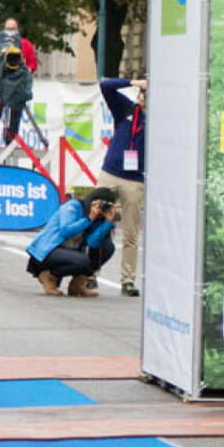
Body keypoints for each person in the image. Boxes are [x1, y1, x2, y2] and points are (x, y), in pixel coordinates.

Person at [99, 77, 146, 296]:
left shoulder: (158, 122)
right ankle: (90, 273)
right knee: (98, 223)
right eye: (144, 95)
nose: (145, 99)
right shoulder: (125, 110)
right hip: (110, 173)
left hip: (134, 179)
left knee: (130, 233)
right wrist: (134, 81)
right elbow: (106, 86)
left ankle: (128, 280)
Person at [25, 187, 119, 297]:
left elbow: (92, 243)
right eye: (101, 204)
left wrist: (107, 222)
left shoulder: (99, 219)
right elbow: (66, 231)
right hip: (48, 251)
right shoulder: (73, 206)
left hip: (70, 251)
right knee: (83, 261)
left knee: (108, 248)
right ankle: (49, 276)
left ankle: (77, 284)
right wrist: (89, 218)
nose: (102, 209)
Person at [0, 23, 35, 148]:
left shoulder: (25, 44)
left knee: (16, 114)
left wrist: (26, 72)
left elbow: (32, 63)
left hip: (18, 85)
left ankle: (11, 139)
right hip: (2, 85)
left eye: (12, 29)